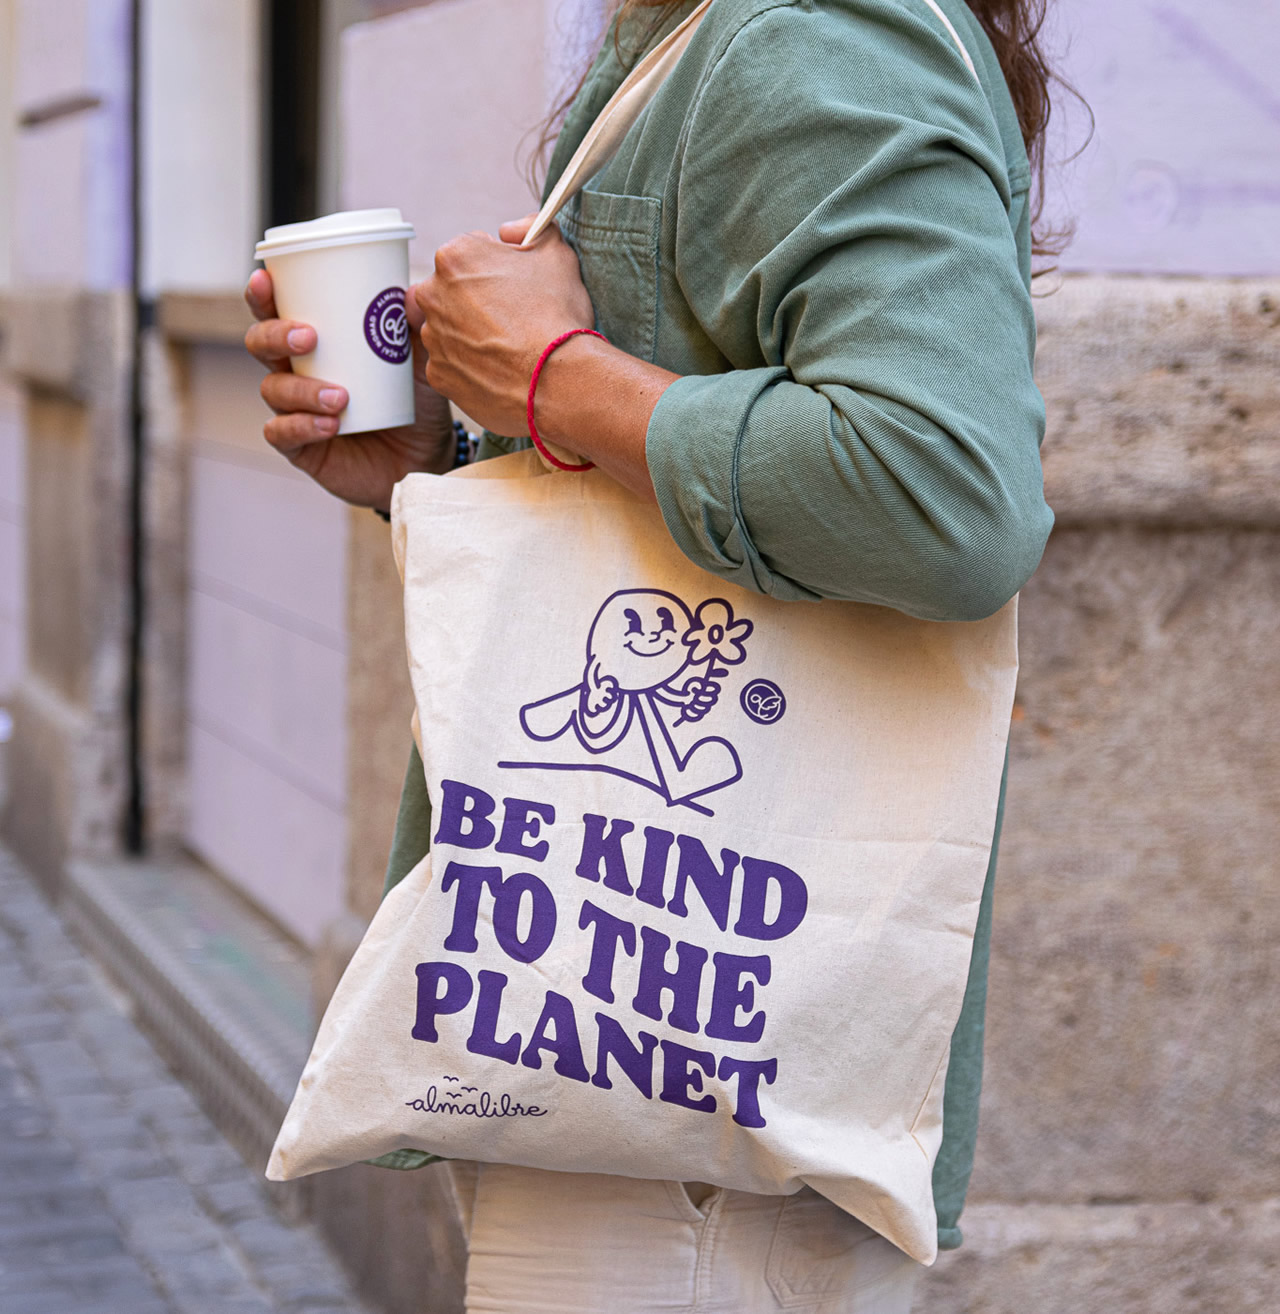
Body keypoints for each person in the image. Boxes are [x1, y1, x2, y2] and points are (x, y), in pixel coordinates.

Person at [245, 1, 1061, 1308]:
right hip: (658, 1071)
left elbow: (946, 493)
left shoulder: (807, 39)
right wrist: (455, 460)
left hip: (688, 1129)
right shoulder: (713, 32)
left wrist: (551, 375)